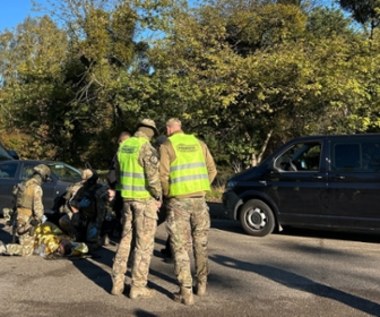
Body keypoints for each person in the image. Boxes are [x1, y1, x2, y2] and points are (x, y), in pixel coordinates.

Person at [159, 118, 217, 305]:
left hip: (178, 201)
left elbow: (162, 175)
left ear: (169, 129)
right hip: (199, 200)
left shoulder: (167, 145)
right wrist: (202, 186)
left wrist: (168, 193)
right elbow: (212, 169)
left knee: (180, 246)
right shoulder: (199, 143)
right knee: (201, 244)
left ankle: (186, 292)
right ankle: (202, 285)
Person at [111, 118, 162, 299]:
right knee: (144, 244)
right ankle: (138, 287)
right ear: (150, 132)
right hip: (144, 201)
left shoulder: (124, 146)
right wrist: (158, 196)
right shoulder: (146, 147)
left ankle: (117, 284)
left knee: (125, 241)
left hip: (127, 200)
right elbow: (153, 178)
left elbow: (116, 174)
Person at [0, 164, 51, 256]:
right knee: (26, 251)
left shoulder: (23, 184)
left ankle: (16, 241)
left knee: (24, 239)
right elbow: (38, 209)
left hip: (18, 218)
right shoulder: (36, 188)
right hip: (26, 220)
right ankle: (3, 248)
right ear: (43, 176)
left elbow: (15, 201)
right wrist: (38, 220)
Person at [0, 221, 88, 258]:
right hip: (31, 231)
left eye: (61, 249)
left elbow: (84, 249)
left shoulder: (53, 249)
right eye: (65, 245)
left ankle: (3, 248)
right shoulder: (57, 233)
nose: (61, 246)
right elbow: (47, 225)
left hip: (33, 241)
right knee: (26, 250)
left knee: (26, 251)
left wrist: (68, 251)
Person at [104, 131, 131, 241]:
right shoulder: (126, 153)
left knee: (120, 214)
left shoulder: (121, 153)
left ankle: (117, 233)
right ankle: (118, 233)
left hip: (121, 189)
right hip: (124, 190)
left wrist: (112, 186)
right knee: (120, 214)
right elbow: (112, 172)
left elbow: (112, 173)